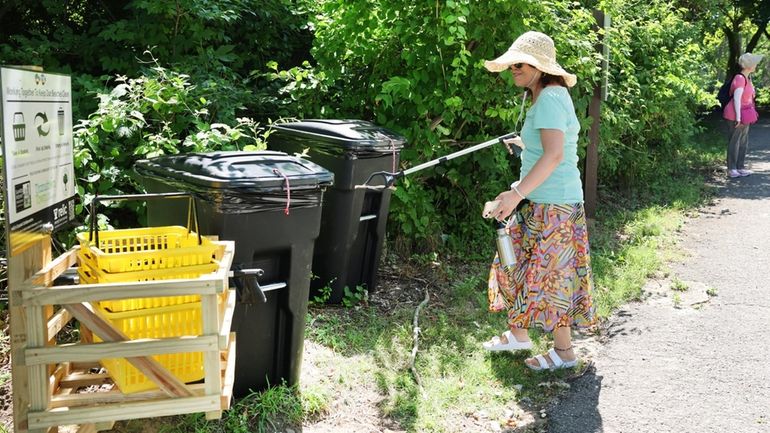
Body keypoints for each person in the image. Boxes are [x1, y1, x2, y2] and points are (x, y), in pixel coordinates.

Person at [480, 31, 595, 371]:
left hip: (555, 204)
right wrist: (524, 146)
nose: (513, 69)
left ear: (540, 67)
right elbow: (545, 150)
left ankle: (564, 353)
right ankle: (518, 333)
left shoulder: (551, 98)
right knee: (512, 263)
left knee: (552, 276)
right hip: (537, 199)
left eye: (520, 63)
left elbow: (555, 155)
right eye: (512, 63)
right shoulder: (541, 97)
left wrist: (515, 194)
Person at [723, 52, 763, 178]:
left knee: (743, 141)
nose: (756, 65)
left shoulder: (748, 78)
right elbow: (736, 99)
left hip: (745, 114)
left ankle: (740, 167)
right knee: (734, 141)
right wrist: (738, 118)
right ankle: (731, 169)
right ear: (749, 65)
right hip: (736, 114)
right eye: (754, 63)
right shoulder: (740, 78)